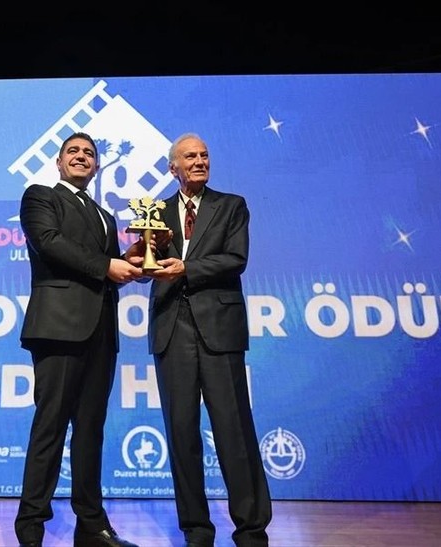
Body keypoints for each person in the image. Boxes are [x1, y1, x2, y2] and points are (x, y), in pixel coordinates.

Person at [14, 131, 146, 547]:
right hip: (58, 329)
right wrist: (108, 265)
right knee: (50, 429)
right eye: (73, 151)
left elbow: (105, 272)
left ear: (97, 165)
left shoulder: (106, 216)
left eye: (89, 153)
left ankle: (91, 526)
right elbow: (50, 244)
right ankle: (31, 529)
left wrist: (131, 261)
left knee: (90, 433)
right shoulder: (40, 197)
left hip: (101, 334)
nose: (81, 157)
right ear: (59, 162)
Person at [143, 133, 272, 547]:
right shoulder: (155, 211)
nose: (199, 161)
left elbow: (236, 259)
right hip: (171, 329)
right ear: (173, 167)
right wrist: (139, 258)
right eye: (190, 157)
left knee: (234, 431)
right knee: (181, 434)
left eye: (204, 155)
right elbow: (146, 266)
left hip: (219, 329)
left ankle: (251, 530)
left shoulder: (231, 206)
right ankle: (196, 530)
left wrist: (187, 268)